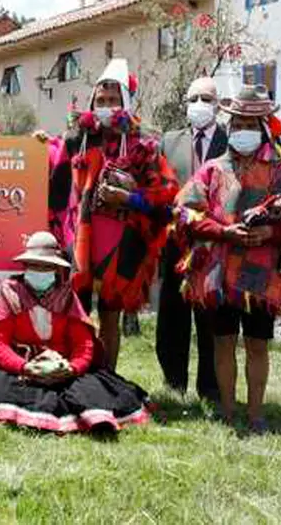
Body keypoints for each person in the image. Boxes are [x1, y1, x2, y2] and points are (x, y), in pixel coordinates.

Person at [175, 85, 281, 432]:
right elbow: (183, 212)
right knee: (222, 343)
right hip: (219, 275)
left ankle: (255, 414)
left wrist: (270, 233)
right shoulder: (211, 170)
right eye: (238, 123)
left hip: (262, 279)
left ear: (265, 126)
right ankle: (227, 410)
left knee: (257, 345)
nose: (243, 130)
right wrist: (222, 231)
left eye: (251, 124)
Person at [0, 232, 150, 435]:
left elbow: (84, 344)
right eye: (35, 265)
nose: (40, 271)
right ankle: (37, 416)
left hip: (64, 368)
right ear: (25, 267)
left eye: (46, 267)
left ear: (55, 269)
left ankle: (94, 419)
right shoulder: (10, 294)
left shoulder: (67, 297)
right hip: (21, 370)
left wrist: (72, 368)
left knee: (93, 389)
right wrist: (25, 367)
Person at [66, 59, 178, 370]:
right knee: (77, 318)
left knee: (109, 320)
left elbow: (167, 199)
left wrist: (129, 197)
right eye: (100, 101)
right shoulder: (76, 141)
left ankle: (106, 379)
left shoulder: (144, 147)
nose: (106, 107)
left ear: (125, 103)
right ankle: (77, 375)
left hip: (121, 249)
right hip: (80, 246)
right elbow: (53, 174)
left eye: (113, 101)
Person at [155, 77, 227, 401]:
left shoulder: (230, 143)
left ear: (219, 104)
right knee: (172, 317)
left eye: (206, 98)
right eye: (193, 97)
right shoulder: (169, 141)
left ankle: (210, 388)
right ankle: (174, 384)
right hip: (175, 247)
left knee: (211, 320)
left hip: (216, 247)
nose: (199, 104)